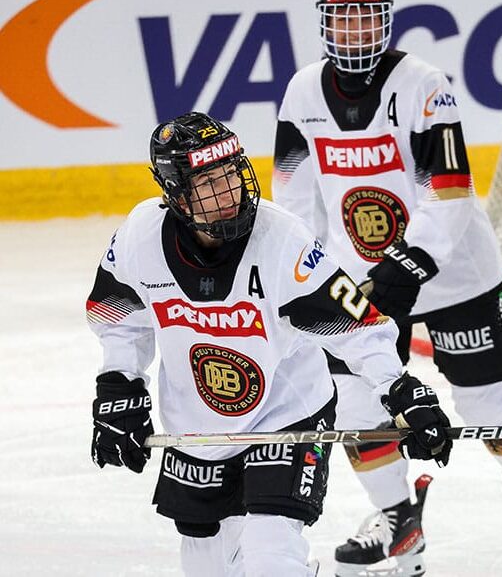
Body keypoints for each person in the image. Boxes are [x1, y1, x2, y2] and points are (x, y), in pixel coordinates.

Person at [86, 111, 452, 576]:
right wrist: (119, 384)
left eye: (231, 175)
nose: (229, 193)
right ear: (176, 192)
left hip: (288, 414)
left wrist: (399, 390)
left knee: (271, 558)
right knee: (209, 569)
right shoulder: (140, 237)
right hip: (199, 427)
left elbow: (358, 326)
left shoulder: (283, 241)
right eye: (208, 183)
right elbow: (118, 318)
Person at [271, 0, 502, 574]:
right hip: (358, 279)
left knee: (485, 402)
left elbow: (447, 192)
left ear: (386, 19)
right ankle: (399, 516)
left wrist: (407, 264)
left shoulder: (424, 85)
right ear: (325, 23)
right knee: (357, 406)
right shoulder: (303, 93)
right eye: (342, 15)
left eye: (366, 14)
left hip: (455, 272)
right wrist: (317, 276)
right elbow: (296, 203)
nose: (355, 29)